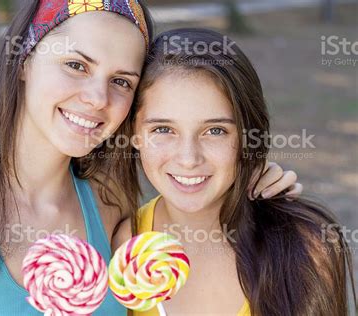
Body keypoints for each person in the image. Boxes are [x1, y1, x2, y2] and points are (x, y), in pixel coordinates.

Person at [0, 1, 302, 314]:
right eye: (76, 65)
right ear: (25, 59)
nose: (97, 98)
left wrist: (248, 177)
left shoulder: (110, 203)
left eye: (121, 80)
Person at [113, 28, 355, 315]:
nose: (189, 158)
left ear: (246, 136)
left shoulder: (305, 247)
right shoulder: (123, 248)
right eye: (163, 129)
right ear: (134, 134)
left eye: (215, 131)